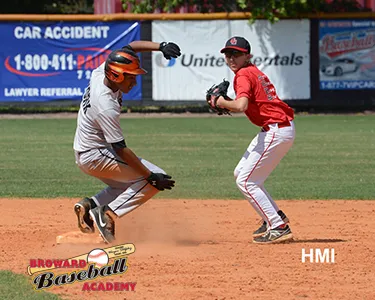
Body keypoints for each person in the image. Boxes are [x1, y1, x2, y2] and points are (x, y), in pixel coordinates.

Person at [73, 40, 181, 243]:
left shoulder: (100, 73)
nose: (134, 82)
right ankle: (108, 215)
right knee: (150, 181)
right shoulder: (105, 104)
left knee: (129, 184)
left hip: (88, 152)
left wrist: (160, 47)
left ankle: (90, 205)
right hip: (96, 154)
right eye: (130, 77)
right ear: (115, 75)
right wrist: (151, 176)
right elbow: (121, 149)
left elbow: (130, 47)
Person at [211, 36, 295, 244]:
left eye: (236, 54)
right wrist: (224, 102)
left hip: (276, 130)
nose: (231, 58)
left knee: (246, 181)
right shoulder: (251, 71)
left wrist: (220, 101)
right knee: (242, 173)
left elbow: (241, 106)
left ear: (247, 56)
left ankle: (278, 227)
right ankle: (275, 217)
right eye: (228, 54)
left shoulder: (243, 75)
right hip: (275, 128)